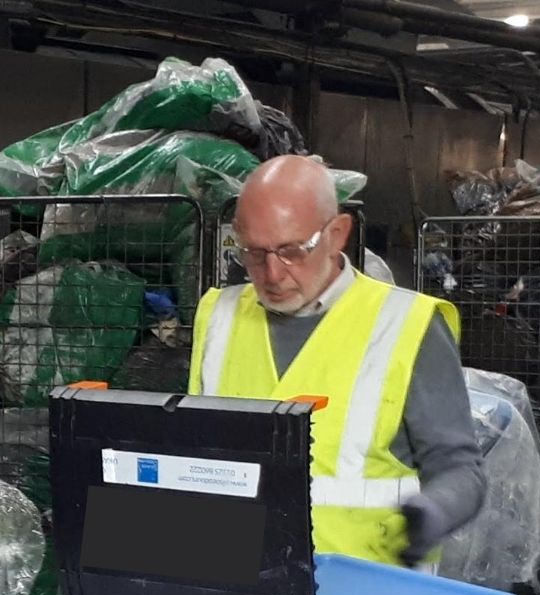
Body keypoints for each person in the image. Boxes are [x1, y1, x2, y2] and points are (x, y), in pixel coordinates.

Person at [189, 155, 483, 568]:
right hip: (237, 587)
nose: (272, 273)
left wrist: (432, 512)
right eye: (254, 254)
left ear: (337, 233)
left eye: (293, 251)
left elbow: (459, 468)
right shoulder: (219, 317)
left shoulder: (405, 325)